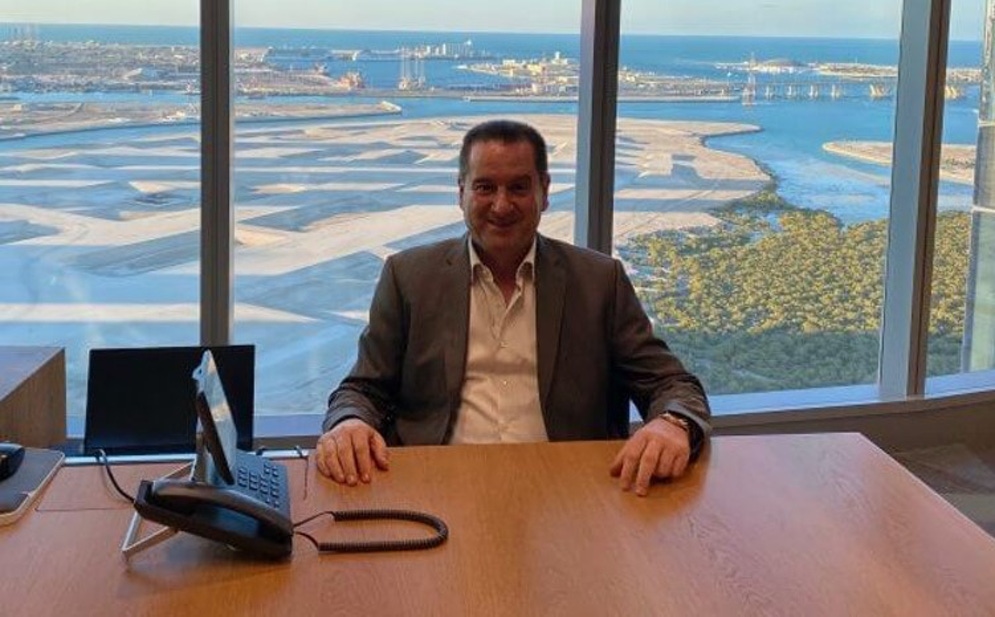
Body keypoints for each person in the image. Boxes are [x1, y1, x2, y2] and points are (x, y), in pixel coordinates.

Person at [317, 119, 710, 496]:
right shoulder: (409, 276)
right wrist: (350, 422)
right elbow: (364, 388)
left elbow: (671, 384)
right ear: (461, 193)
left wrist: (673, 424)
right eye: (485, 187)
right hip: (435, 483)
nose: (501, 206)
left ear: (544, 190)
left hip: (570, 490)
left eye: (519, 188)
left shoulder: (598, 281)